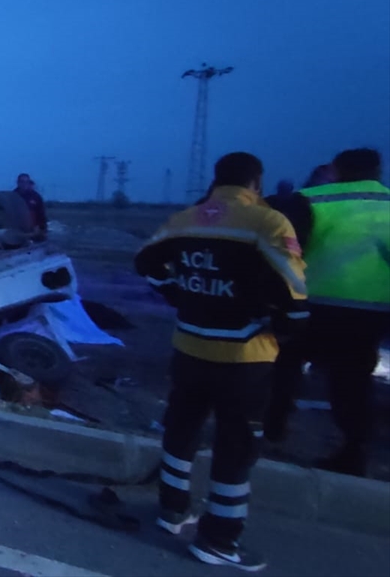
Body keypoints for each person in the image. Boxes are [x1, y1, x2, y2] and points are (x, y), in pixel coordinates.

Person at [135, 152, 308, 572]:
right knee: (236, 447)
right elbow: (295, 294)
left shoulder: (186, 219)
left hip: (191, 346)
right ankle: (218, 540)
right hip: (244, 355)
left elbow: (146, 263)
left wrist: (177, 293)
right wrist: (285, 330)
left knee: (181, 430)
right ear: (256, 182)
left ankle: (172, 511)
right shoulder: (267, 222)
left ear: (217, 180)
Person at [275, 148, 389, 476]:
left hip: (312, 303)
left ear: (336, 169)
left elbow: (284, 252)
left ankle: (272, 428)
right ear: (377, 170)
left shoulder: (311, 200)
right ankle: (354, 451)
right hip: (372, 311)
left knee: (285, 364)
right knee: (352, 380)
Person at [264, 179, 313, 247]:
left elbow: (306, 223)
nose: (284, 192)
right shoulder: (268, 203)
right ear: (278, 189)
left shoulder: (300, 204)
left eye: (286, 189)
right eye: (282, 189)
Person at [14, 173, 48, 239]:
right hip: (16, 229)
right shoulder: (12, 196)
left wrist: (42, 228)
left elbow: (41, 214)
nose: (24, 184)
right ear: (18, 183)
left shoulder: (35, 197)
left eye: (26, 182)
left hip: (32, 229)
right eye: (22, 181)